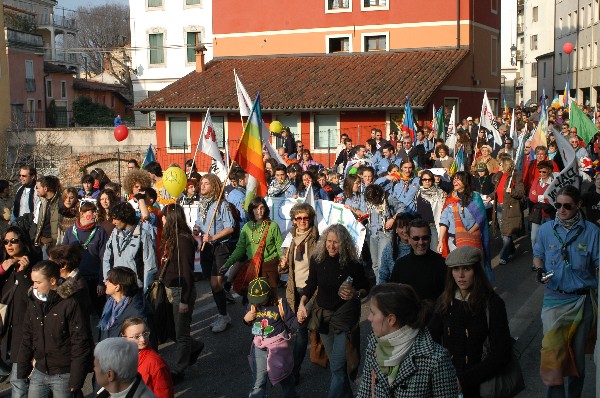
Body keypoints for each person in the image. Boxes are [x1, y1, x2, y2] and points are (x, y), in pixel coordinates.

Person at [533, 185, 599, 397]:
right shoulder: (545, 230)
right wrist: (539, 269)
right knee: (553, 357)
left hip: (582, 302)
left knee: (577, 359)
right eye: (558, 205)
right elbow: (538, 255)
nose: (561, 210)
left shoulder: (592, 232)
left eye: (567, 206)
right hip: (553, 300)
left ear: (579, 205)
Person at [428, 246, 512, 398]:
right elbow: (431, 336)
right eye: (455, 269)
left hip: (482, 385)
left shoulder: (492, 303)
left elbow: (502, 352)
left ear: (476, 271)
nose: (460, 275)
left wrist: (465, 380)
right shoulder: (445, 301)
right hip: (449, 383)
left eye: (466, 269)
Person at [297, 224, 369, 398]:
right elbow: (311, 284)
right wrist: (302, 303)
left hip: (344, 319)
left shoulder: (353, 264)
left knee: (337, 367)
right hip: (323, 318)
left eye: (336, 242)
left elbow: (366, 288)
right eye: (329, 241)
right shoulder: (317, 259)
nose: (331, 246)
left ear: (344, 244)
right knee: (338, 369)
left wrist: (355, 293)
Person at [356, 283, 458, 397]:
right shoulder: (374, 344)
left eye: (373, 313)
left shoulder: (436, 358)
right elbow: (364, 392)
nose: (369, 318)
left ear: (391, 319)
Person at [18, 260, 93, 398]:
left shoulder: (70, 303)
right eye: (33, 281)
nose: (34, 286)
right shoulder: (34, 301)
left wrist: (76, 379)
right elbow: (27, 335)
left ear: (52, 281)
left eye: (38, 282)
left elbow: (80, 342)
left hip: (63, 374)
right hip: (39, 370)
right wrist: (22, 369)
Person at [160, 204, 204, 382]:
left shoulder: (183, 240)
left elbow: (187, 271)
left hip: (181, 291)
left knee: (181, 333)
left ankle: (179, 370)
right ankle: (195, 346)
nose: (162, 220)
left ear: (170, 218)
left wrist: (184, 299)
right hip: (169, 289)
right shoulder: (171, 237)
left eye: (164, 217)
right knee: (170, 329)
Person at [279, 203, 319, 382]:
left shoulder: (317, 239)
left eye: (306, 218)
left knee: (309, 331)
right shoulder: (291, 238)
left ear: (311, 218)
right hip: (294, 290)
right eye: (298, 218)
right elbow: (286, 269)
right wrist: (283, 265)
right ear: (294, 220)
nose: (302, 221)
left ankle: (296, 368)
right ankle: (295, 369)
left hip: (312, 290)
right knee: (300, 331)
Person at [0, 226, 40, 397]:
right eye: (6, 242)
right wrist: (2, 269)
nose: (9, 245)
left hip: (22, 334)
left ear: (23, 243)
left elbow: (32, 298)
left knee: (18, 382)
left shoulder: (33, 268)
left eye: (14, 241)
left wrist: (23, 275)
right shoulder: (4, 266)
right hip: (3, 333)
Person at [194, 174, 237, 333]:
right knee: (212, 283)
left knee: (215, 284)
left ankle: (224, 316)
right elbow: (200, 221)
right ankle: (222, 307)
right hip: (207, 247)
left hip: (220, 247)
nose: (202, 186)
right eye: (201, 183)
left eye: (206, 183)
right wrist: (197, 228)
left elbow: (230, 227)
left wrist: (213, 237)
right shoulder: (202, 203)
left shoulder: (222, 204)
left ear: (215, 186)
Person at [243, 277, 300, 397]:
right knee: (259, 382)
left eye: (261, 299)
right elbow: (250, 322)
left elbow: (291, 321)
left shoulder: (280, 303)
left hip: (278, 348)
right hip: (260, 347)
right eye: (255, 299)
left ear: (269, 293)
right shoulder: (253, 305)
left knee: (286, 379)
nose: (257, 302)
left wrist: (300, 320)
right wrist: (246, 319)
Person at [438, 171, 493, 281]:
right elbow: (444, 220)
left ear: (465, 181)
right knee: (457, 268)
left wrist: (468, 233)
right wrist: (440, 240)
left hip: (472, 239)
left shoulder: (475, 197)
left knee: (472, 269)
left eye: (458, 179)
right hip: (454, 240)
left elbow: (481, 218)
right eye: (454, 179)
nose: (455, 181)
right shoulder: (450, 198)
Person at [222, 196, 283, 291]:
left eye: (262, 208)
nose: (259, 211)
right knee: (254, 299)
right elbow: (239, 249)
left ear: (266, 209)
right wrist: (227, 264)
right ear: (251, 210)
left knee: (270, 299)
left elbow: (280, 247)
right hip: (253, 267)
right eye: (256, 208)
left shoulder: (273, 226)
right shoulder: (247, 227)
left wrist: (283, 260)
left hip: (270, 266)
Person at [62, 200, 109, 317]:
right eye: (91, 212)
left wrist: (101, 282)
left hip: (94, 280)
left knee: (98, 314)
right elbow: (63, 256)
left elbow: (104, 258)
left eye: (96, 212)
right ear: (82, 214)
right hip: (75, 280)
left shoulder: (100, 232)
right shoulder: (70, 231)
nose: (95, 215)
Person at [389, 219, 446, 302]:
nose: (421, 242)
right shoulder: (401, 265)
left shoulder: (442, 264)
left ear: (430, 238)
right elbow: (393, 294)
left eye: (425, 238)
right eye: (416, 238)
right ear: (408, 239)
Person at [99, 267, 156, 347]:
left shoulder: (139, 312)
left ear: (117, 287)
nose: (105, 283)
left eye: (108, 280)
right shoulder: (110, 304)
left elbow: (148, 343)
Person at [120, 318, 174, 398]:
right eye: (137, 337)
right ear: (124, 338)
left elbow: (164, 394)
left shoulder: (155, 363)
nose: (143, 339)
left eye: (145, 333)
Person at [491, 157, 525, 265]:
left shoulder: (515, 176)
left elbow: (521, 193)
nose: (499, 166)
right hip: (500, 208)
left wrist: (512, 191)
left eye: (500, 164)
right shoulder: (500, 176)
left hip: (510, 209)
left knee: (507, 234)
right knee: (503, 233)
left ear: (505, 165)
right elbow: (497, 191)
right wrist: (490, 196)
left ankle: (503, 256)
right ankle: (511, 250)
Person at [364, 184, 394, 284]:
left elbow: (402, 208)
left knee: (382, 264)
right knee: (375, 265)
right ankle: (379, 285)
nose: (372, 201)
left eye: (374, 198)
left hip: (384, 234)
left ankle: (381, 289)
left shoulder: (387, 198)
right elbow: (364, 214)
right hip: (372, 233)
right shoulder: (368, 201)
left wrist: (392, 220)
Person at [379, 213, 415, 284]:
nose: (405, 230)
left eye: (407, 226)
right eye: (401, 227)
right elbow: (383, 276)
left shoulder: (419, 246)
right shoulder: (389, 248)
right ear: (396, 230)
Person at [414, 169, 446, 250]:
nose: (427, 182)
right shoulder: (418, 193)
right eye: (424, 179)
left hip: (433, 227)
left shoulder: (439, 193)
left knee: (435, 251)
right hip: (421, 227)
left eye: (429, 179)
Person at [529, 160, 556, 247]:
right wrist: (544, 197)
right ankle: (536, 256)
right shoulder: (536, 181)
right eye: (539, 171)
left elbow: (553, 199)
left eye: (543, 171)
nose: (541, 173)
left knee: (548, 238)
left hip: (549, 214)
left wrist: (538, 196)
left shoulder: (553, 183)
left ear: (549, 171)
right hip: (537, 213)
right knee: (534, 238)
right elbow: (531, 197)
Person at [33, 175, 62, 250]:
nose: (37, 190)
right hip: (44, 243)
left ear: (45, 188)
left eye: (38, 188)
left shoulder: (60, 202)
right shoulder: (43, 202)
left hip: (55, 244)